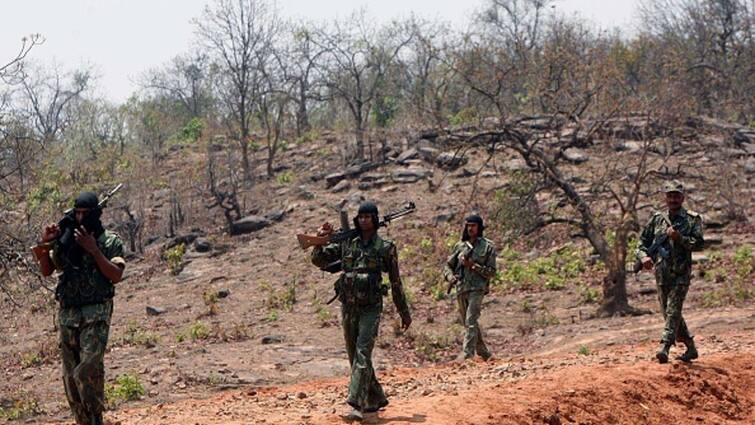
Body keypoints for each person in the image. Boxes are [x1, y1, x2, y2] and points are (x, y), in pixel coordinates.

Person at [311, 201, 412, 420]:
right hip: (349, 306)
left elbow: (396, 282)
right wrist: (319, 240)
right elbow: (319, 260)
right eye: (361, 217)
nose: (364, 220)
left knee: (363, 352)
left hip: (371, 307)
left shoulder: (385, 247)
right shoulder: (347, 243)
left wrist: (404, 311)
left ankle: (356, 404)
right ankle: (375, 399)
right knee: (353, 356)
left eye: (368, 217)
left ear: (375, 220)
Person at [32, 191, 126, 425]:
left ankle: (95, 418)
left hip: (96, 314)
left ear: (96, 214)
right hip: (69, 316)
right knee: (70, 377)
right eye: (78, 213)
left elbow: (115, 275)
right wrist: (46, 243)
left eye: (86, 213)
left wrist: (94, 250)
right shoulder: (67, 241)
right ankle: (82, 420)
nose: (81, 218)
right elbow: (46, 270)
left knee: (87, 371)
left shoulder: (109, 241)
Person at [636, 180, 704, 364]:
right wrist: (643, 258)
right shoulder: (657, 219)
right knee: (669, 313)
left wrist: (679, 238)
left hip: (681, 274)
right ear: (665, 197)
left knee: (673, 311)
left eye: (676, 196)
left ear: (683, 197)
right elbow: (641, 243)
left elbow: (699, 244)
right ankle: (690, 347)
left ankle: (665, 347)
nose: (673, 199)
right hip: (661, 274)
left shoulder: (692, 219)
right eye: (670, 196)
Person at [443, 214, 496, 361]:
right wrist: (450, 277)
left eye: (473, 226)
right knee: (467, 322)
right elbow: (448, 266)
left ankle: (467, 354)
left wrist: (473, 266)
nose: (470, 229)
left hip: (477, 288)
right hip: (461, 288)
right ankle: (484, 353)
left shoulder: (487, 246)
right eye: (468, 226)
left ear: (479, 227)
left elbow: (492, 272)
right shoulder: (460, 246)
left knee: (471, 319)